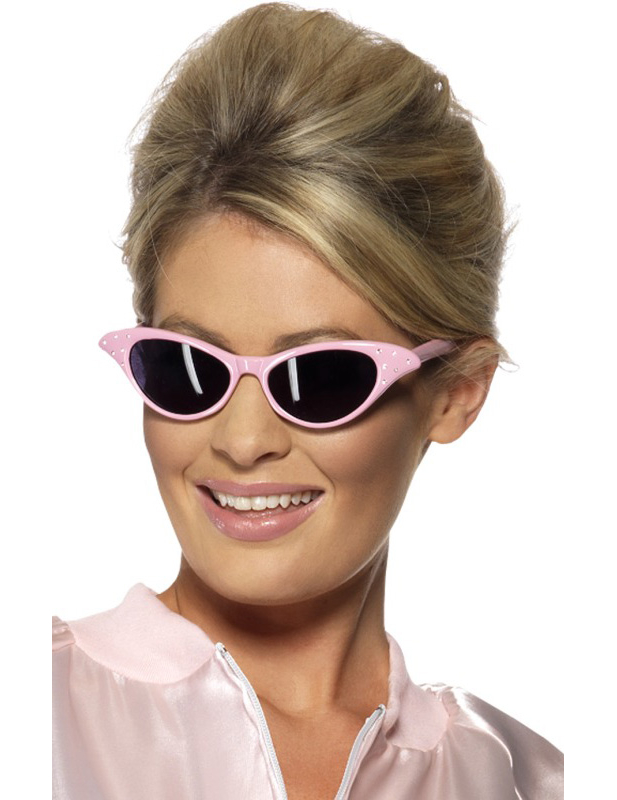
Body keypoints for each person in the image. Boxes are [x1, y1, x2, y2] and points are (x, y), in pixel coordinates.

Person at [52, 4, 564, 798]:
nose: (241, 439)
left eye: (319, 378)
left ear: (456, 394)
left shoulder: (521, 780)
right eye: (188, 368)